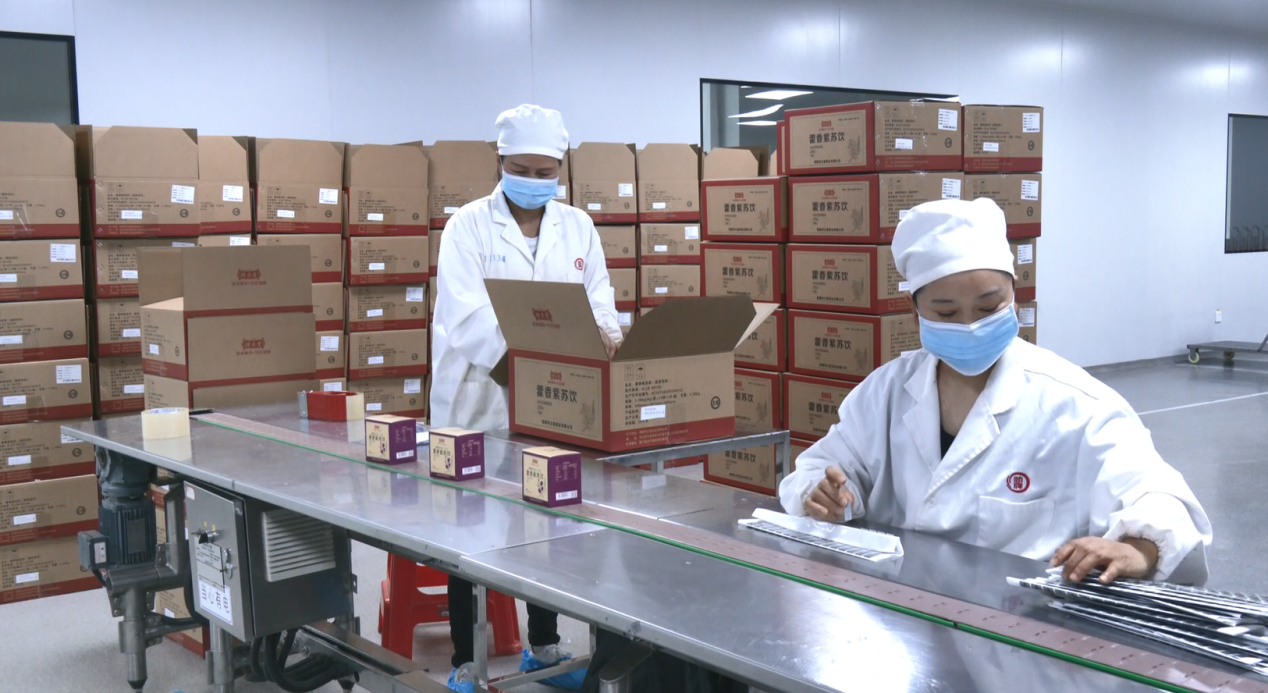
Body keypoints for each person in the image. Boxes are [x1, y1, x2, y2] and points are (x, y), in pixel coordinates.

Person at [779, 198, 1213, 586]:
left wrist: (1136, 548)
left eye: (989, 307)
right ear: (916, 315)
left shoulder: (1075, 405)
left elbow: (1160, 497)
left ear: (1015, 296)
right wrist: (825, 495)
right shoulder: (885, 393)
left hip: (1018, 629)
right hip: (897, 614)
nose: (970, 326)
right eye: (946, 313)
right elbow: (820, 468)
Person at [430, 104, 621, 691]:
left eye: (545, 172)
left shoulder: (578, 227)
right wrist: (533, 366)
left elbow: (599, 298)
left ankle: (543, 646)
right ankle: (466, 660)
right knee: (468, 531)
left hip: (554, 404)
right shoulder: (467, 227)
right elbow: (468, 319)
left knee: (545, 520)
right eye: (522, 170)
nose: (534, 182)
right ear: (500, 162)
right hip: (478, 401)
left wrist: (607, 336)